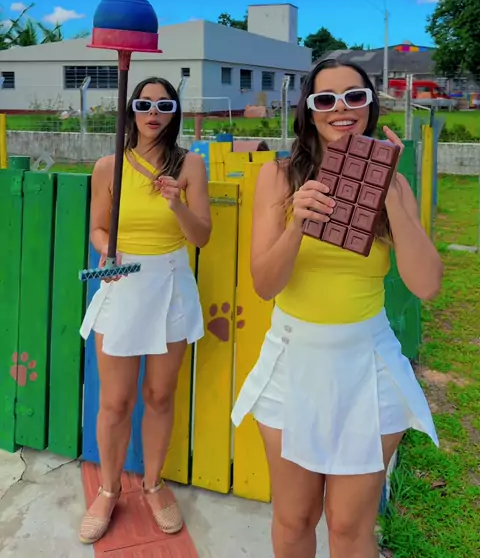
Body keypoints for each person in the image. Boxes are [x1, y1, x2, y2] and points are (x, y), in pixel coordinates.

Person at [232, 59, 442, 558]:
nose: (341, 109)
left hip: (367, 365)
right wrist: (296, 226)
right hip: (293, 362)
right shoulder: (279, 178)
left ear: (370, 104)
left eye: (354, 96)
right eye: (325, 99)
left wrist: (390, 197)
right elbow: (264, 284)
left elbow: (427, 284)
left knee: (349, 528)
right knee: (294, 519)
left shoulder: (397, 184)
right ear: (309, 111)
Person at [79, 76, 211, 545]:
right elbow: (98, 228)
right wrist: (106, 250)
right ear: (131, 109)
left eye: (163, 105)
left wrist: (177, 203)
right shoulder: (108, 166)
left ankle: (153, 485)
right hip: (124, 283)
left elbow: (201, 236)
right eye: (144, 104)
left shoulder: (189, 164)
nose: (153, 112)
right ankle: (109, 490)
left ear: (175, 112)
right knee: (115, 401)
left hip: (171, 284)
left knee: (158, 395)